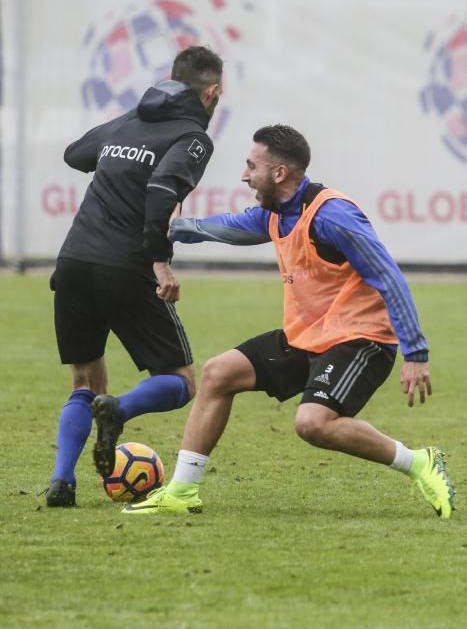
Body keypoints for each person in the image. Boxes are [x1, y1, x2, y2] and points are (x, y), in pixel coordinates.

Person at [121, 123, 455, 519]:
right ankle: (181, 491)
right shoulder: (275, 214)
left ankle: (419, 462)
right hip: (308, 337)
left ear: (279, 173)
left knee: (312, 423)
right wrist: (177, 227)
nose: (245, 175)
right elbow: (226, 228)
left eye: (251, 166)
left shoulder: (333, 216)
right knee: (218, 373)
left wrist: (415, 352)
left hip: (360, 339)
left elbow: (389, 277)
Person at [45, 46, 223, 507]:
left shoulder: (130, 120)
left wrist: (123, 150)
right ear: (213, 92)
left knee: (84, 381)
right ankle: (118, 410)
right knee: (182, 379)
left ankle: (62, 482)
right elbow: (164, 189)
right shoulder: (193, 135)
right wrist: (160, 261)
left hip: (74, 262)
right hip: (126, 266)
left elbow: (75, 154)